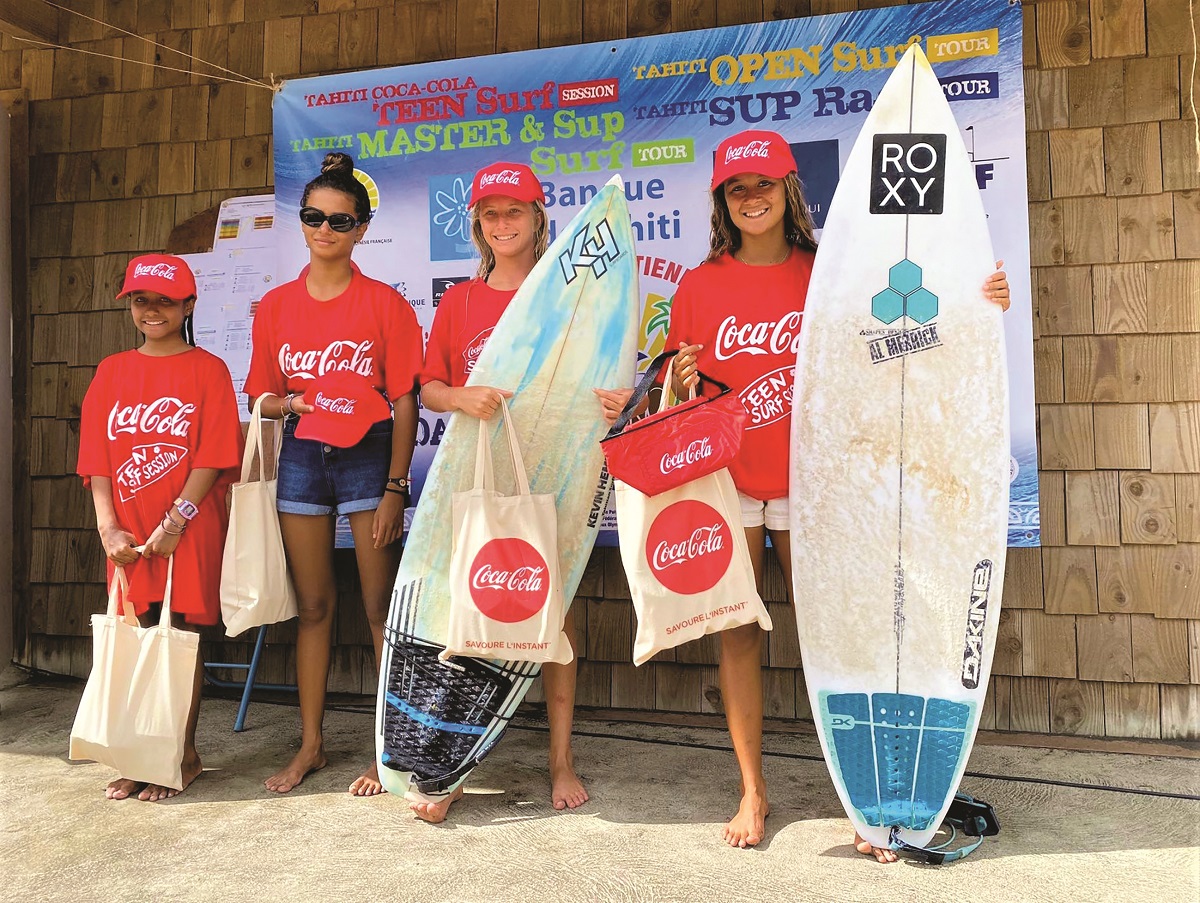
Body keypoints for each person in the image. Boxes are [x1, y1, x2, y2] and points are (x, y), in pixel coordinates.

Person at [668, 129, 1010, 856]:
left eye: (762, 184)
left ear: (788, 189)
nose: (750, 197)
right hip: (729, 483)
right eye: (736, 188)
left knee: (843, 633)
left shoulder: (830, 271)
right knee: (737, 637)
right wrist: (680, 382)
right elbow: (677, 393)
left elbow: (908, 333)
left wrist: (982, 299)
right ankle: (753, 790)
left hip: (817, 485)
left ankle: (871, 798)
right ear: (722, 203)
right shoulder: (699, 284)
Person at [416, 161, 630, 822]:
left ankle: (559, 758)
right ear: (478, 225)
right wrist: (461, 395)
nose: (502, 224)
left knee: (555, 611)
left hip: (559, 471)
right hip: (481, 474)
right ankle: (451, 762)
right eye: (490, 214)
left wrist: (617, 399)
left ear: (540, 218)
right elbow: (429, 388)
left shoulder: (574, 297)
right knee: (470, 611)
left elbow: (612, 376)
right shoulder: (460, 301)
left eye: (515, 212)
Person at [244, 152, 423, 797]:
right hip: (299, 451)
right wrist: (289, 403)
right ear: (301, 221)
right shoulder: (275, 307)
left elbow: (404, 399)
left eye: (340, 221)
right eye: (314, 217)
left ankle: (387, 749)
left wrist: (396, 486)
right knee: (314, 606)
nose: (325, 229)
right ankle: (312, 746)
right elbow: (259, 398)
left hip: (368, 456)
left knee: (381, 609)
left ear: (361, 229)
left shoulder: (384, 306)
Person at [77, 254, 243, 802]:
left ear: (189, 305)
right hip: (126, 530)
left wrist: (177, 520)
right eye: (141, 300)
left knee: (177, 639)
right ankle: (135, 756)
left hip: (188, 526)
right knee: (134, 634)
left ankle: (179, 753)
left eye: (165, 300)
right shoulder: (111, 370)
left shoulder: (209, 369)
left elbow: (215, 456)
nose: (152, 310)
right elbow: (97, 458)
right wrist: (108, 528)